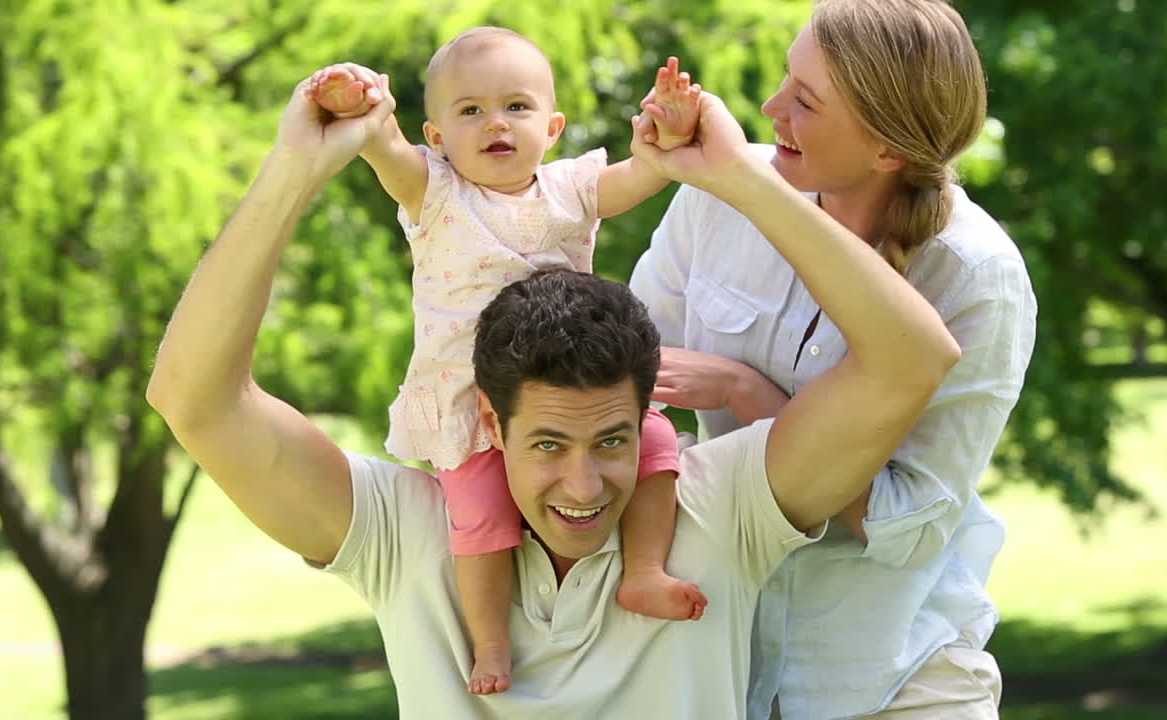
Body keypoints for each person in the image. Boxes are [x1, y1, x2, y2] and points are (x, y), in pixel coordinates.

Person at [145, 58, 963, 718]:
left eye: (612, 440)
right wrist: (295, 168)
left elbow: (912, 360)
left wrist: (737, 179)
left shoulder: (718, 510)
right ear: (490, 423)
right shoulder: (410, 533)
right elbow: (195, 400)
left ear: (647, 413)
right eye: (546, 444)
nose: (583, 486)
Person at [629, 1, 1038, 718]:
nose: (770, 108)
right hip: (719, 658)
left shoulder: (976, 276)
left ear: (886, 150)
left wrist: (749, 395)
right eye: (786, 79)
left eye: (806, 101)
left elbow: (910, 527)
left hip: (891, 678)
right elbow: (624, 389)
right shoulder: (716, 202)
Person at [303, 26, 708, 694]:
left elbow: (643, 176)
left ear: (552, 127)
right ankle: (490, 641)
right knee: (481, 514)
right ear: (436, 137)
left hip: (564, 392)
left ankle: (643, 572)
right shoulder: (435, 193)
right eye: (471, 111)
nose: (496, 123)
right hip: (468, 402)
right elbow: (386, 151)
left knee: (658, 443)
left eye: (517, 107)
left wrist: (668, 139)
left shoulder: (570, 189)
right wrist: (364, 111)